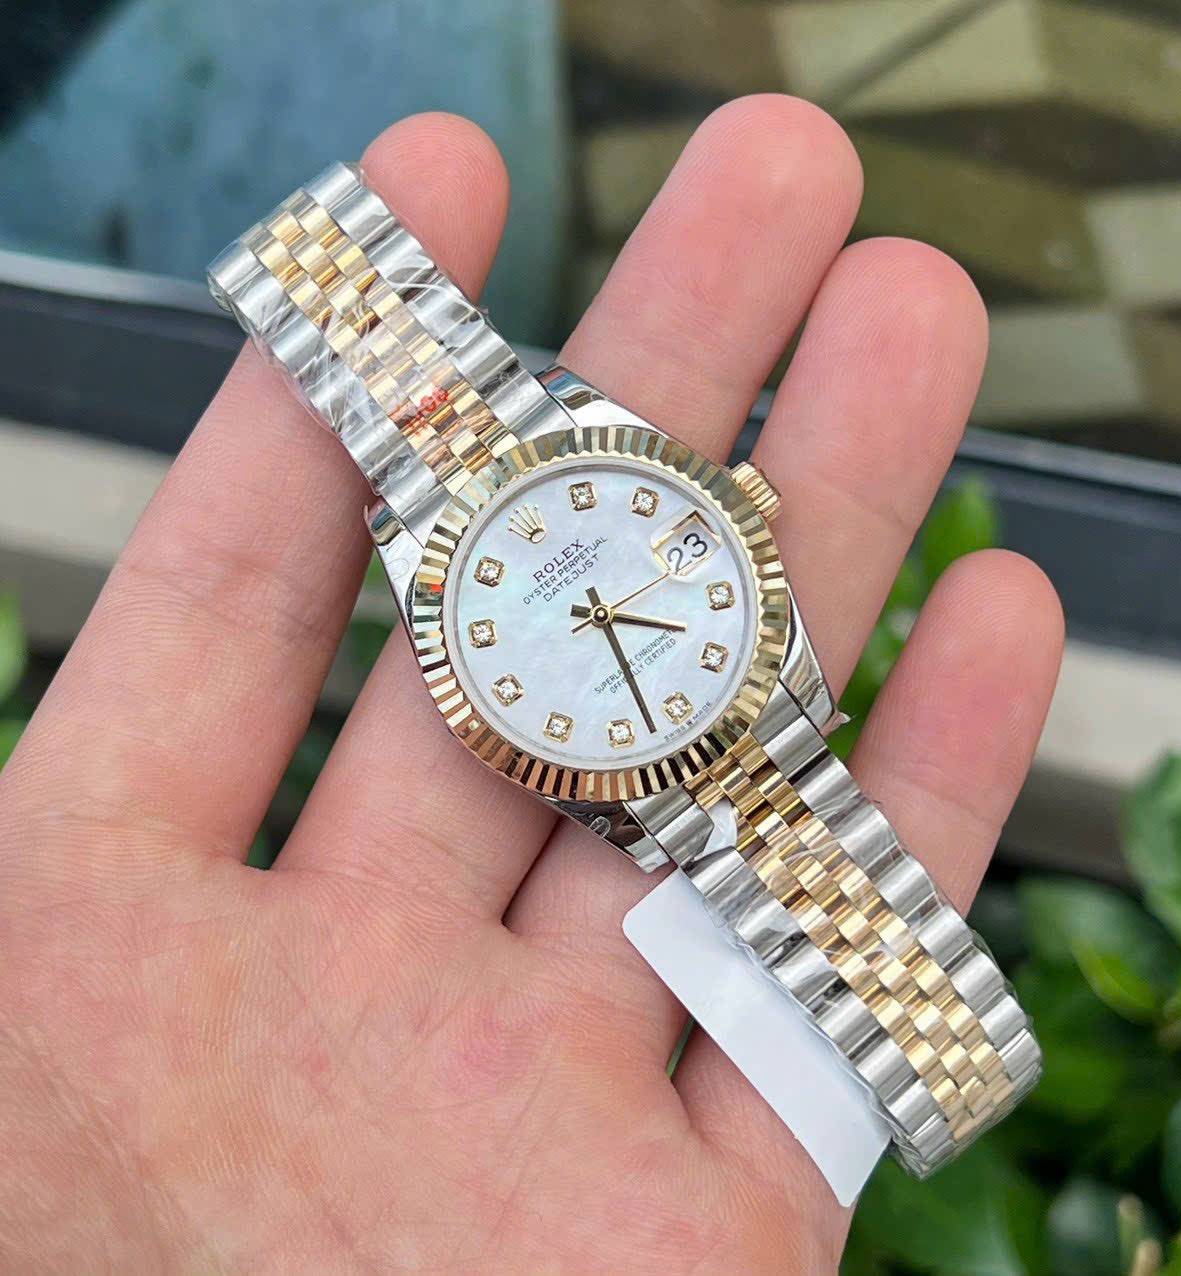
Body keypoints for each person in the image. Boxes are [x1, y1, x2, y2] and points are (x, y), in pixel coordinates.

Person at [0, 96, 1063, 1273]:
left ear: (731, 516)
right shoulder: (446, 595)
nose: (596, 611)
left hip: (739, 723)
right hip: (667, 764)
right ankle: (950, 1063)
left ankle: (953, 1056)